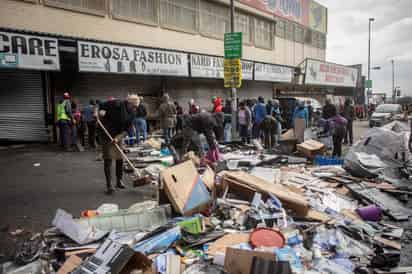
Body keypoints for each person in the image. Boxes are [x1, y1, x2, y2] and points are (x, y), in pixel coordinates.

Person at [98, 95, 139, 194]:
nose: (134, 108)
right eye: (133, 106)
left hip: (118, 135)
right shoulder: (116, 104)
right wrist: (97, 113)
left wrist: (118, 138)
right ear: (128, 103)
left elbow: (128, 130)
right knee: (108, 159)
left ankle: (119, 180)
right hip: (106, 133)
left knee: (120, 158)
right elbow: (100, 105)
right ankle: (109, 185)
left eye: (136, 107)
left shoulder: (133, 113)